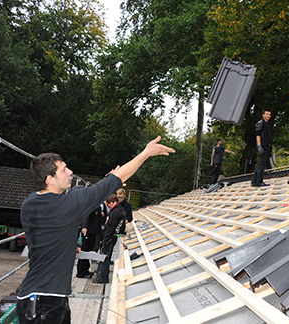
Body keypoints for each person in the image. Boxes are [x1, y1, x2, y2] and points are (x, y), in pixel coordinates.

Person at [16, 136, 175, 324]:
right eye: (64, 169)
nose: (70, 172)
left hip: (37, 298)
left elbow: (53, 228)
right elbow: (118, 178)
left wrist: (65, 246)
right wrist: (145, 153)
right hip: (46, 303)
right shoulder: (68, 205)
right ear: (50, 179)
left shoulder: (30, 202)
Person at [92, 194, 126, 284]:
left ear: (113, 202)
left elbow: (110, 227)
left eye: (109, 204)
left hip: (109, 238)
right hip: (114, 236)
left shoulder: (115, 212)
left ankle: (101, 278)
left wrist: (105, 239)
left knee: (104, 257)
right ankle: (102, 275)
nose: (108, 206)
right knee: (106, 257)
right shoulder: (121, 210)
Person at [75, 203, 105, 278]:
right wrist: (84, 227)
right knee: (85, 252)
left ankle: (85, 270)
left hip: (92, 232)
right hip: (88, 232)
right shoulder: (91, 205)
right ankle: (81, 272)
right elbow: (86, 217)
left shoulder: (96, 205)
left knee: (88, 251)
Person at [251, 109, 273, 187]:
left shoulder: (267, 124)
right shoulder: (261, 123)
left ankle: (254, 181)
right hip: (262, 146)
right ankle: (258, 182)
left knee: (260, 164)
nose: (268, 116)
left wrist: (270, 149)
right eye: (267, 114)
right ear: (263, 115)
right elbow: (258, 135)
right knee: (261, 164)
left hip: (267, 147)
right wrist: (259, 146)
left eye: (269, 114)